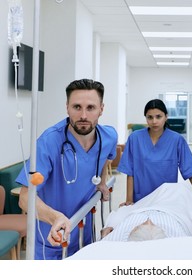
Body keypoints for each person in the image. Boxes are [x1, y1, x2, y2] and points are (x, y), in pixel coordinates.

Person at [16, 79, 118, 260]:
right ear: (67, 107)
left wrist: (102, 182)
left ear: (101, 109)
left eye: (91, 108)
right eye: (77, 107)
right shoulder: (48, 143)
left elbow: (106, 158)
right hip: (51, 238)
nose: (83, 115)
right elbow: (25, 198)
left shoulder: (109, 137)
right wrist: (55, 218)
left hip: (83, 233)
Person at [118, 99, 192, 205]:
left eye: (158, 116)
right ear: (146, 118)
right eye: (150, 117)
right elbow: (130, 172)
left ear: (166, 117)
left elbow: (190, 171)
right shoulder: (135, 139)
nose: (154, 121)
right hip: (141, 199)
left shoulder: (176, 140)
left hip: (167, 199)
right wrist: (129, 200)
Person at [100, 182, 192, 243]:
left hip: (140, 211)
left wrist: (106, 237)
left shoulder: (114, 244)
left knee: (167, 192)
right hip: (173, 213)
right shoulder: (184, 251)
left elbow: (103, 244)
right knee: (180, 193)